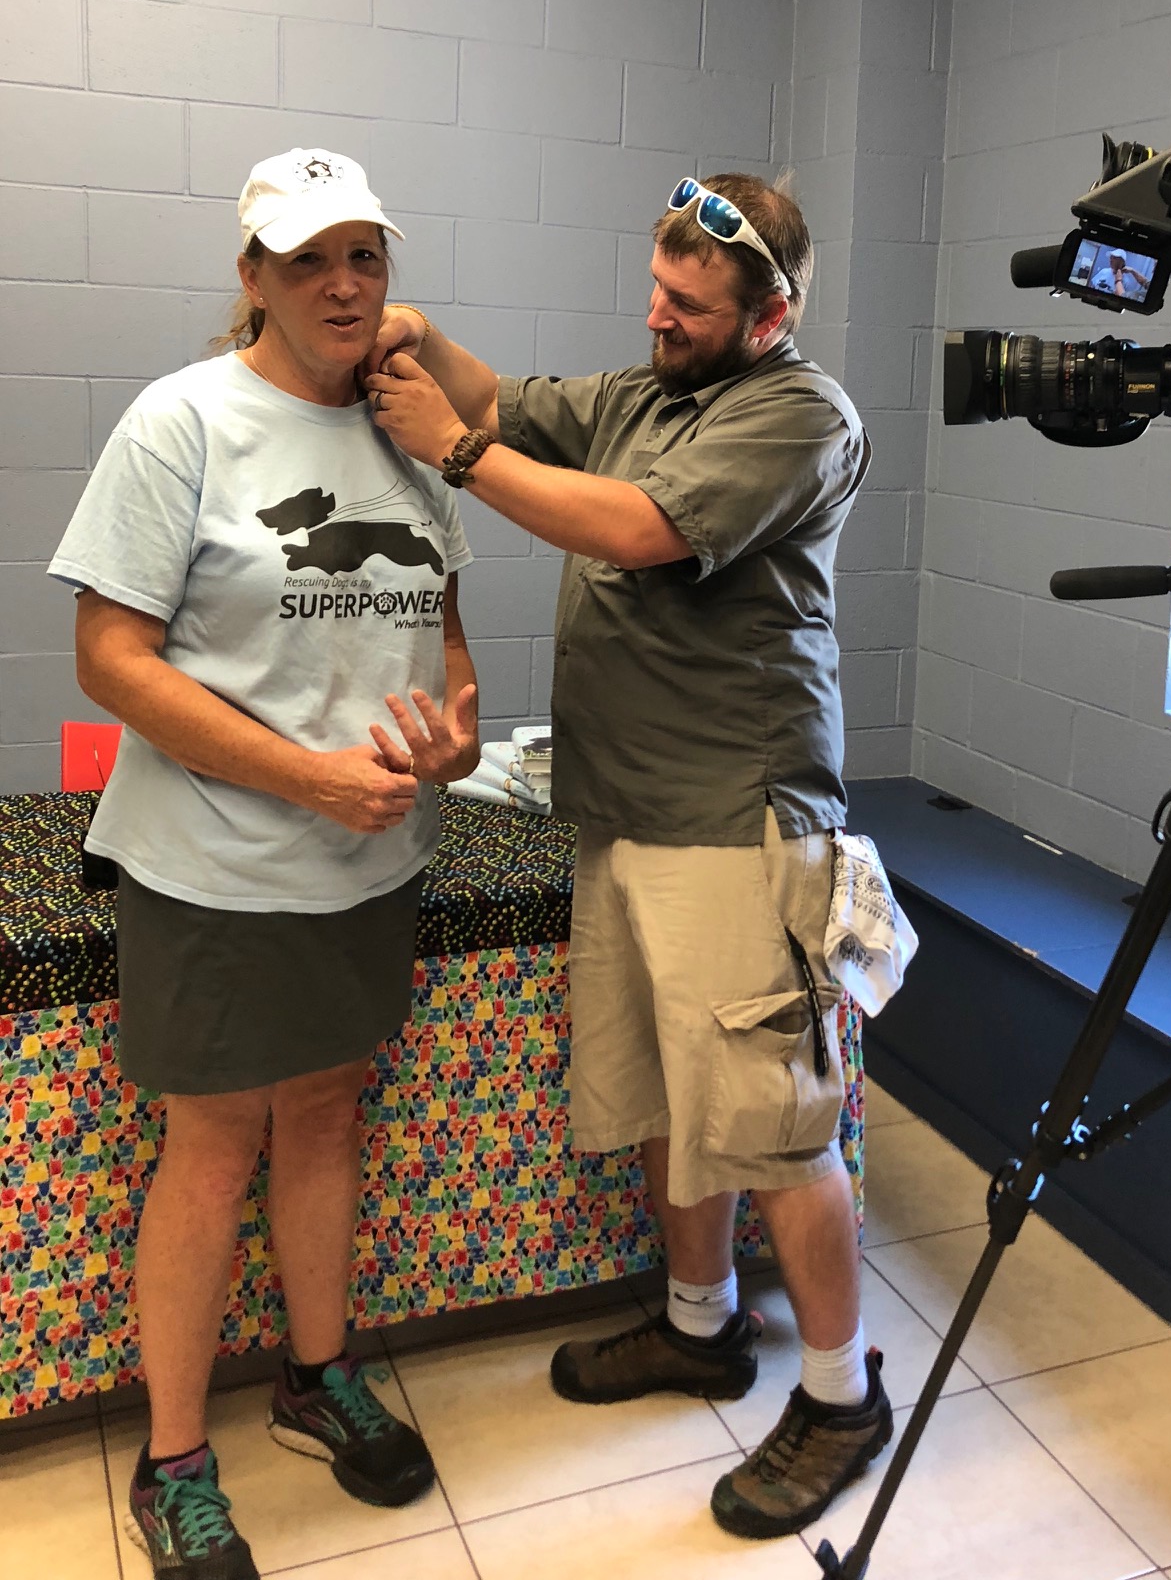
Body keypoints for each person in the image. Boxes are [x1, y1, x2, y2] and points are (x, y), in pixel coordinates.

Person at [362, 172, 889, 1538]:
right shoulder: (646, 393)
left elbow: (637, 530)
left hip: (736, 822)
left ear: (769, 315)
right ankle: (700, 1327)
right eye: (655, 290)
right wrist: (418, 337)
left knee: (774, 1124)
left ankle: (842, 1399)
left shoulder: (799, 414)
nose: (659, 318)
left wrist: (453, 455)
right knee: (671, 1099)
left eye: (690, 306)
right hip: (628, 811)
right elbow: (502, 399)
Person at [49, 150, 481, 1580]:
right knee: (215, 1140)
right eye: (308, 260)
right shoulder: (183, 421)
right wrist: (306, 777)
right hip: (219, 865)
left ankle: (316, 1372)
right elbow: (109, 658)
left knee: (330, 1114)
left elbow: (445, 637)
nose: (344, 286)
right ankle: (173, 1459)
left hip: (372, 862)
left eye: (365, 255)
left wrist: (454, 740)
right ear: (253, 277)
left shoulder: (411, 431)